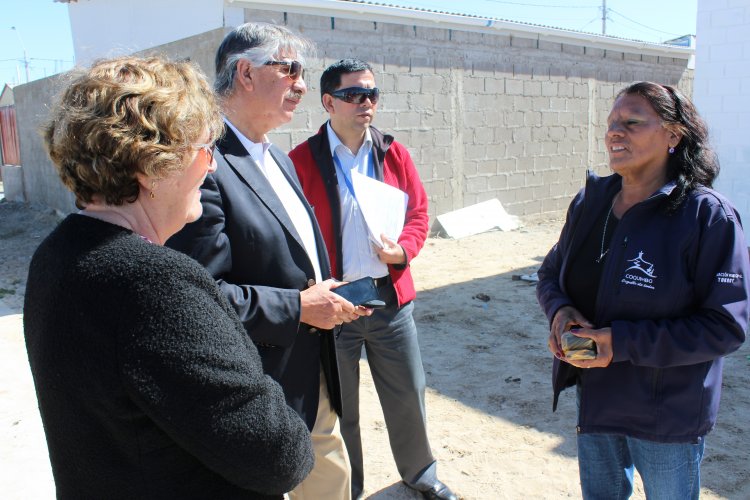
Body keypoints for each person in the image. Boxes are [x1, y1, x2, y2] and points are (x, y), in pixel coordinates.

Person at [23, 55, 314, 499]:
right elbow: (280, 457)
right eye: (203, 149)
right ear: (150, 164)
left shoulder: (58, 253)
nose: (212, 166)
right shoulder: (155, 285)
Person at [167, 24, 367, 500]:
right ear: (246, 73)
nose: (302, 83)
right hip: (254, 384)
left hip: (310, 367)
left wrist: (329, 295)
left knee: (329, 476)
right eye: (289, 69)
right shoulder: (204, 164)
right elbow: (200, 296)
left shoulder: (279, 158)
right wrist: (298, 307)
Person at [537, 81, 750, 499]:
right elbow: (550, 274)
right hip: (595, 399)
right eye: (612, 123)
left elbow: (725, 326)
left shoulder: (708, 217)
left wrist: (622, 342)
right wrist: (561, 312)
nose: (615, 132)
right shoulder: (590, 203)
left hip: (666, 414)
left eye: (632, 122)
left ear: (673, 135)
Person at [290, 59, 457, 500]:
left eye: (372, 94)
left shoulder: (393, 152)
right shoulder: (301, 160)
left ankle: (421, 474)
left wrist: (403, 250)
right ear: (328, 102)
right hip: (336, 304)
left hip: (390, 300)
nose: (366, 102)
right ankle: (352, 489)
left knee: (408, 395)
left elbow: (418, 214)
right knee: (341, 409)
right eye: (354, 94)